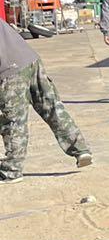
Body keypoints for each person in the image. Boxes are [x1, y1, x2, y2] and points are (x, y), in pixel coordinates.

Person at [0, 16, 93, 181]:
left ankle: (11, 170)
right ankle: (80, 149)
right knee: (51, 107)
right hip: (31, 59)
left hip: (9, 69)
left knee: (13, 120)